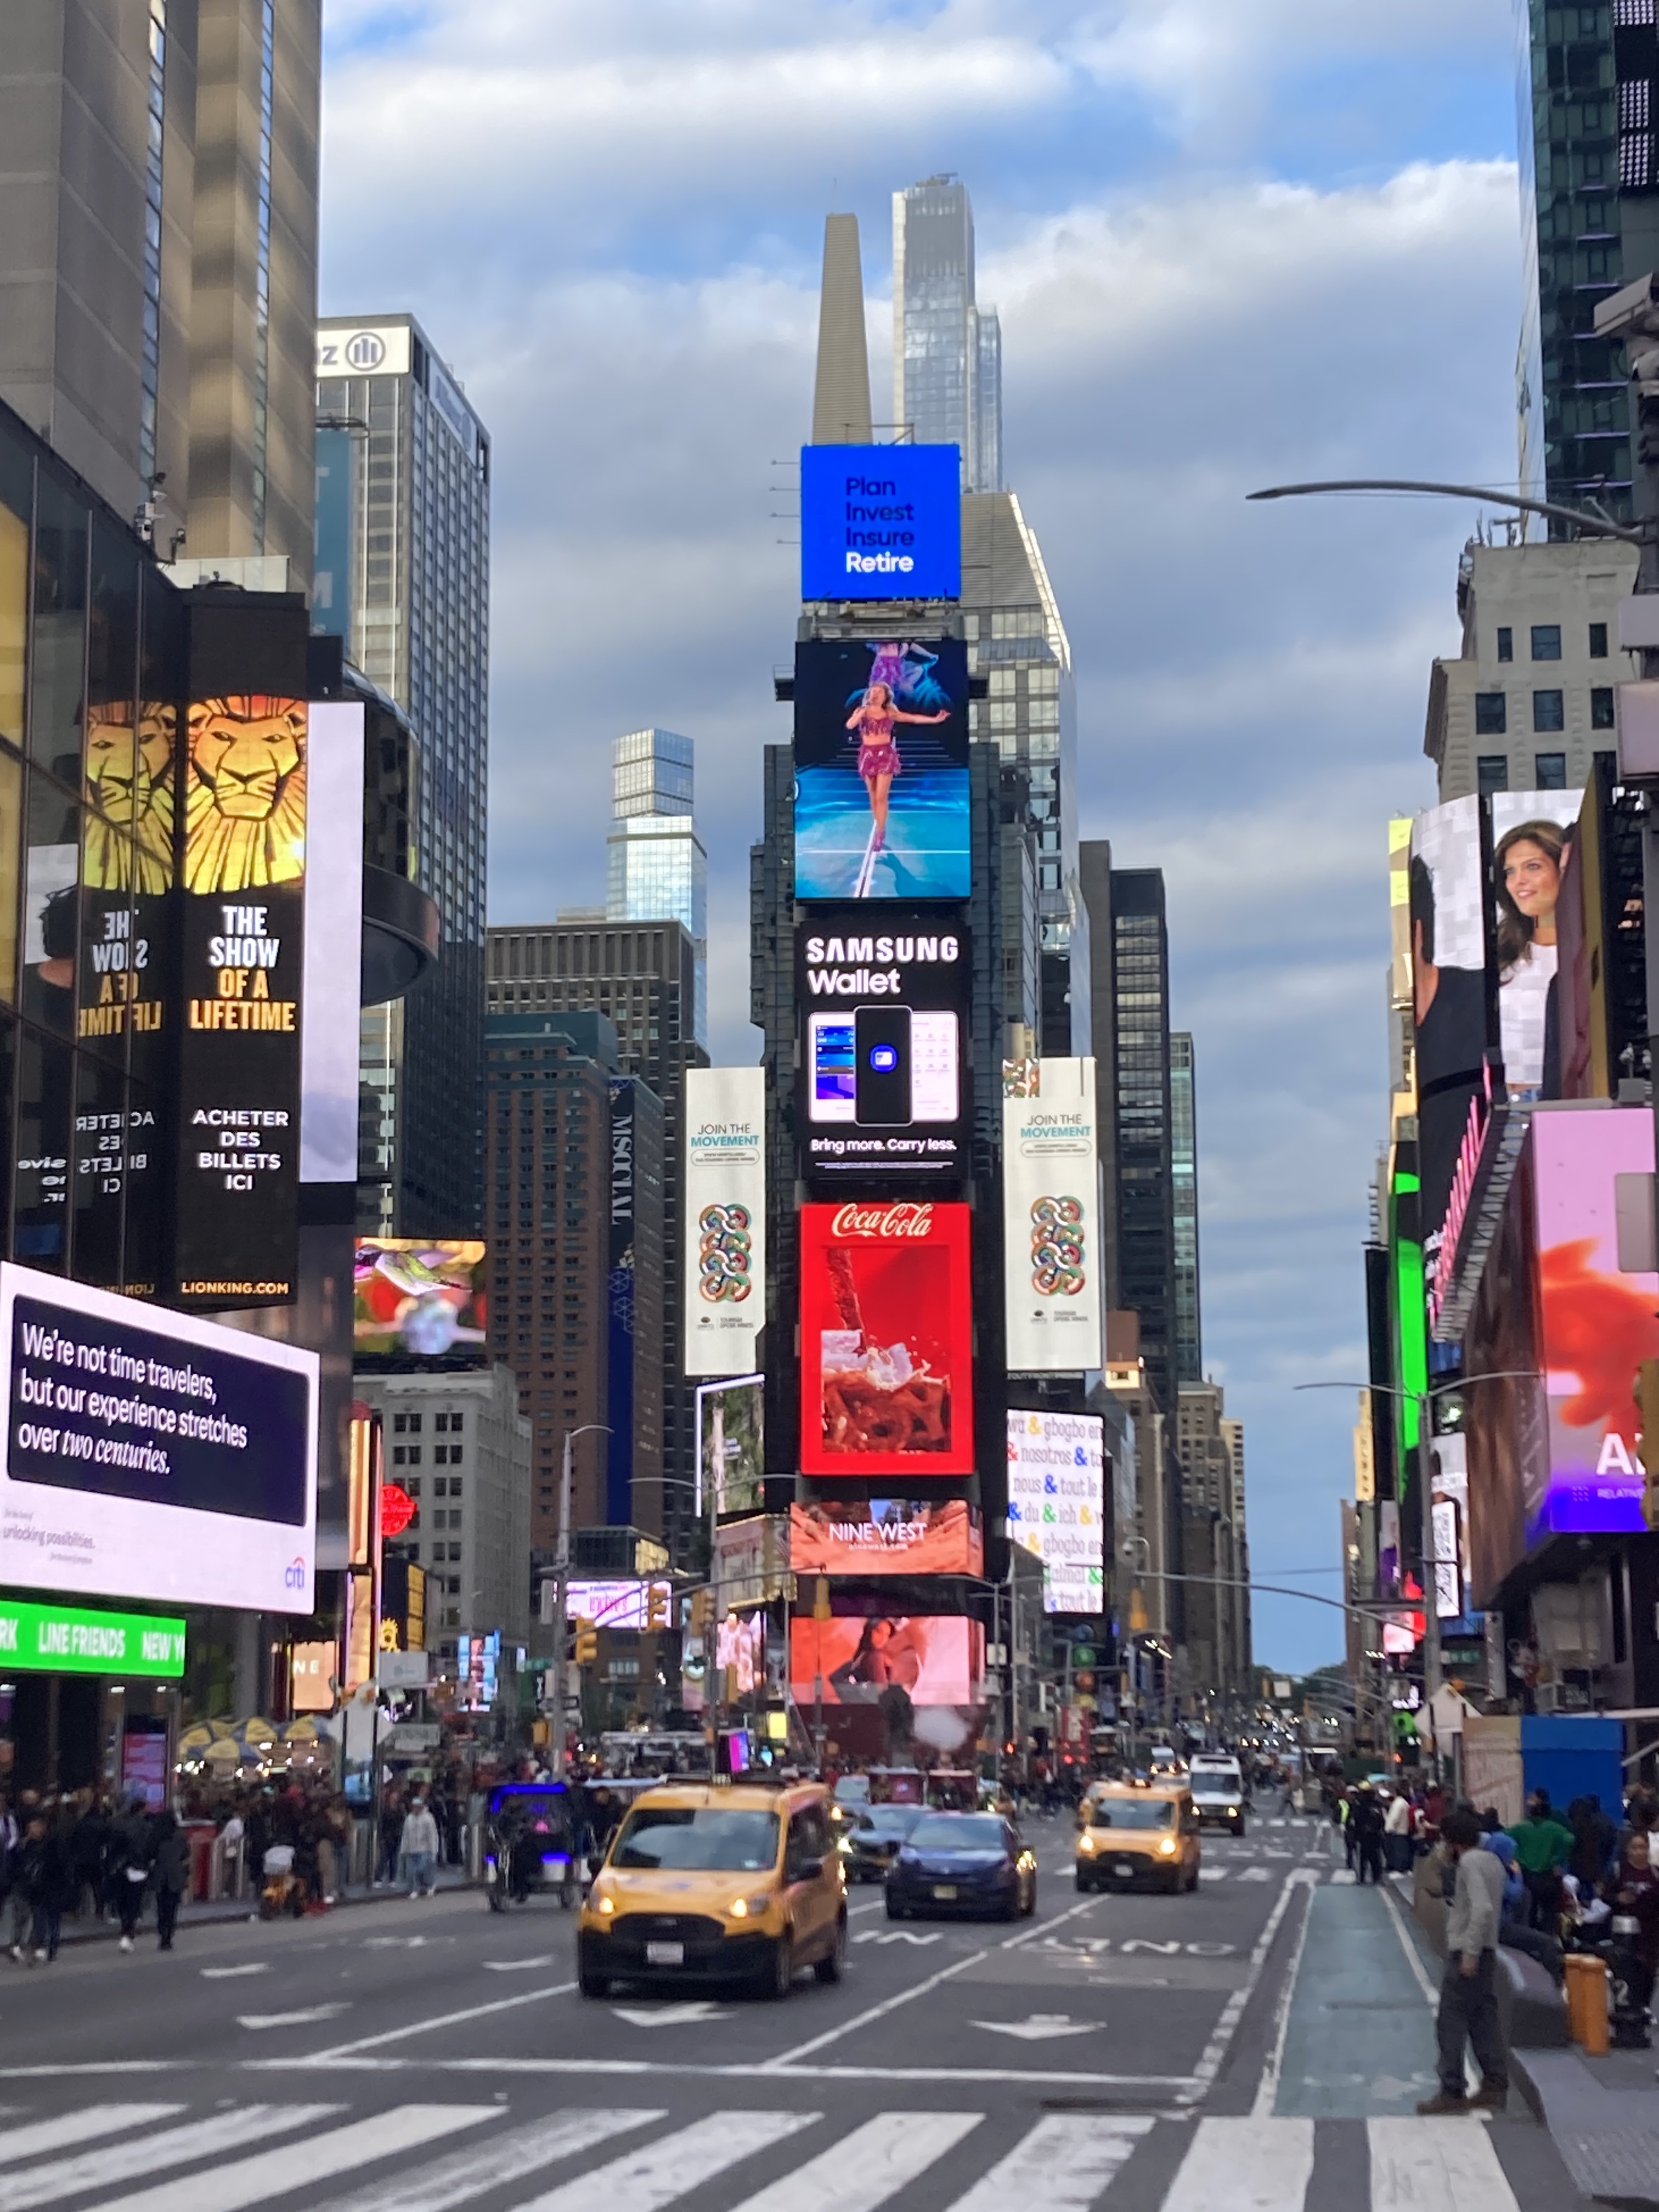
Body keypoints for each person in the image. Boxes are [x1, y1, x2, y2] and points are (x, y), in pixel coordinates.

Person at [1418, 1807, 1509, 2115]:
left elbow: (1481, 1909)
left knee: (1450, 2021)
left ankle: (1452, 2089)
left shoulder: (1469, 1863)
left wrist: (1469, 1953)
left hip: (1469, 1952)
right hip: (1489, 1950)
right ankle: (1495, 2084)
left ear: (1453, 1841)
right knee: (1484, 2019)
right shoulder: (1493, 1861)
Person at [1493, 819, 1566, 1094]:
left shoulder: (1595, 950)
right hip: (1509, 1108)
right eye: (1510, 872)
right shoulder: (1498, 956)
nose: (1518, 881)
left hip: (1579, 1099)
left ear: (1563, 868)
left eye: (1533, 867)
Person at [843, 678, 948, 856]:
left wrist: (935, 720)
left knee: (882, 797)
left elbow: (912, 718)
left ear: (885, 697)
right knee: (874, 798)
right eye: (873, 691)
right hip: (867, 755)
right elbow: (850, 725)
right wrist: (861, 713)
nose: (875, 694)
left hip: (884, 755)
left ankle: (880, 832)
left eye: (879, 692)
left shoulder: (890, 711)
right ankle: (878, 824)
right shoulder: (862, 710)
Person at [1602, 1831, 1659, 2019]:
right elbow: (1605, 1896)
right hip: (1624, 1929)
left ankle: (1644, 2005)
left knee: (1648, 1968)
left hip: (1650, 1929)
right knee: (1626, 1966)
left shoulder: (1655, 1873)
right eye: (1634, 1848)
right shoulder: (1620, 1871)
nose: (1639, 1852)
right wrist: (1618, 1899)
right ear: (1628, 1850)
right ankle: (1626, 2004)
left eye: (1642, 1847)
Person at [1507, 1790, 1575, 1931]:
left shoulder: (1521, 1828)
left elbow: (1503, 1837)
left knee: (1528, 1913)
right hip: (1547, 1875)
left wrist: (1516, 1856)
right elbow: (1570, 1840)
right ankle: (1549, 1938)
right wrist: (1557, 1858)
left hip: (1527, 1876)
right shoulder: (1555, 1828)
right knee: (1550, 1913)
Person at [148, 1809, 189, 1952]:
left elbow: (150, 1853)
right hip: (176, 1874)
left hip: (160, 1874)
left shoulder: (156, 1835)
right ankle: (168, 1936)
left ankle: (162, 1931)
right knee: (172, 1907)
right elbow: (186, 1854)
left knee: (161, 1905)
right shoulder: (180, 1836)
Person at [401, 1793, 441, 1899]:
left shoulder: (428, 1818)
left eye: (418, 1806)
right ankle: (415, 1889)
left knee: (424, 1870)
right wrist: (404, 1849)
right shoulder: (409, 1818)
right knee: (412, 1871)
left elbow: (432, 1835)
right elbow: (405, 1834)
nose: (416, 1809)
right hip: (411, 1849)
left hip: (425, 1849)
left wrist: (434, 1850)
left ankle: (430, 1885)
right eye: (414, 1806)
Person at [1352, 1787, 1386, 1885]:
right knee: (1376, 1858)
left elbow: (1357, 1820)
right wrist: (1380, 1830)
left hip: (1364, 1836)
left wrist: (1357, 1835)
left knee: (1363, 1858)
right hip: (1375, 1835)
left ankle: (1362, 1878)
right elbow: (1382, 1820)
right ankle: (1377, 1878)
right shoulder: (1378, 1806)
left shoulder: (1361, 1805)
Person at [1384, 1787, 1415, 1874]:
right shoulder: (1403, 1802)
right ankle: (1402, 1866)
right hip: (1402, 1829)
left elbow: (1395, 1817)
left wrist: (1390, 1828)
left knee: (1398, 1850)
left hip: (1398, 1830)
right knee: (1402, 1849)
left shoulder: (1398, 1803)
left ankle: (1399, 1867)